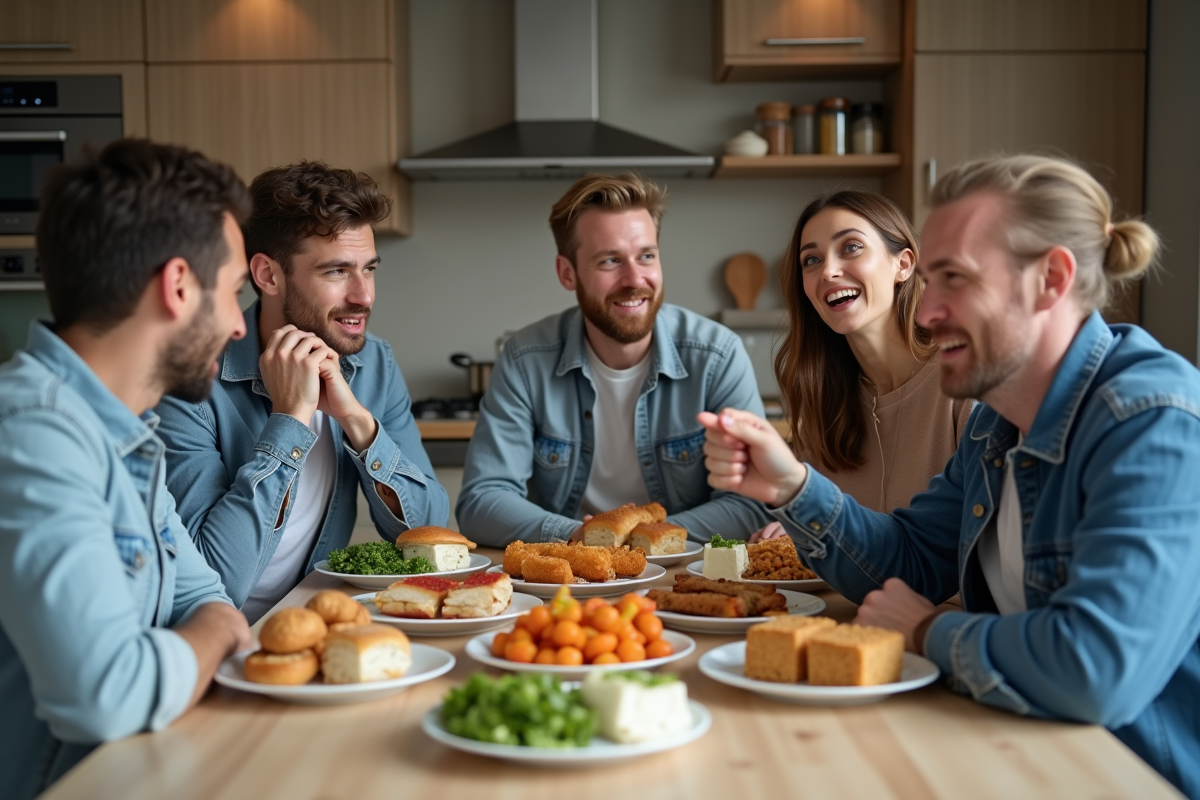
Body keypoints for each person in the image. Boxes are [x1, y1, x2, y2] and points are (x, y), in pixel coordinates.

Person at [700, 154, 1200, 797]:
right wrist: (793, 488)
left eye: (954, 280)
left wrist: (927, 630)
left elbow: (1096, 670)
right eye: (928, 280)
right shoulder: (997, 425)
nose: (927, 311)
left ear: (1050, 279)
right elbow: (907, 562)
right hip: (1010, 745)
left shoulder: (1151, 421)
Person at [0, 139, 254, 800]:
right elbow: (108, 693)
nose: (237, 326)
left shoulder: (126, 432)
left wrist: (210, 626)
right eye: (231, 293)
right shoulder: (33, 435)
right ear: (176, 286)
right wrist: (214, 632)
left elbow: (207, 600)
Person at [156, 162, 448, 622]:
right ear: (268, 276)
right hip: (216, 638)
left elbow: (431, 534)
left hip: (312, 618)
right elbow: (212, 581)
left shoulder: (372, 364)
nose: (364, 296)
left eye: (369, 269)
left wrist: (359, 425)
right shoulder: (191, 381)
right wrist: (289, 421)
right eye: (337, 272)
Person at [458, 173, 766, 546]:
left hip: (684, 575)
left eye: (646, 256)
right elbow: (481, 502)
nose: (634, 279)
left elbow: (750, 505)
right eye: (609, 261)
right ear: (567, 273)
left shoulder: (717, 355)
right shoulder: (525, 360)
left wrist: (643, 539)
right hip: (571, 578)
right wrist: (581, 536)